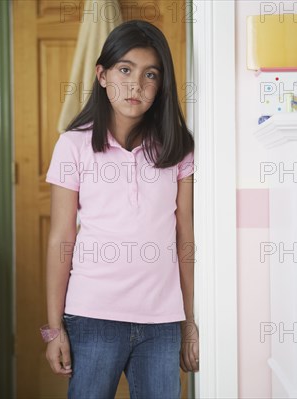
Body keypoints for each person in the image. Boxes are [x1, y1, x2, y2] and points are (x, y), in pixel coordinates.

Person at [41, 19, 199, 398]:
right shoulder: (73, 145)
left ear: (161, 86)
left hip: (161, 322)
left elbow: (185, 237)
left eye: (150, 75)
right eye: (125, 70)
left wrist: (189, 323)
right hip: (93, 316)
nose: (136, 85)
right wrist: (53, 328)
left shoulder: (178, 150)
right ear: (102, 75)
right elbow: (61, 238)